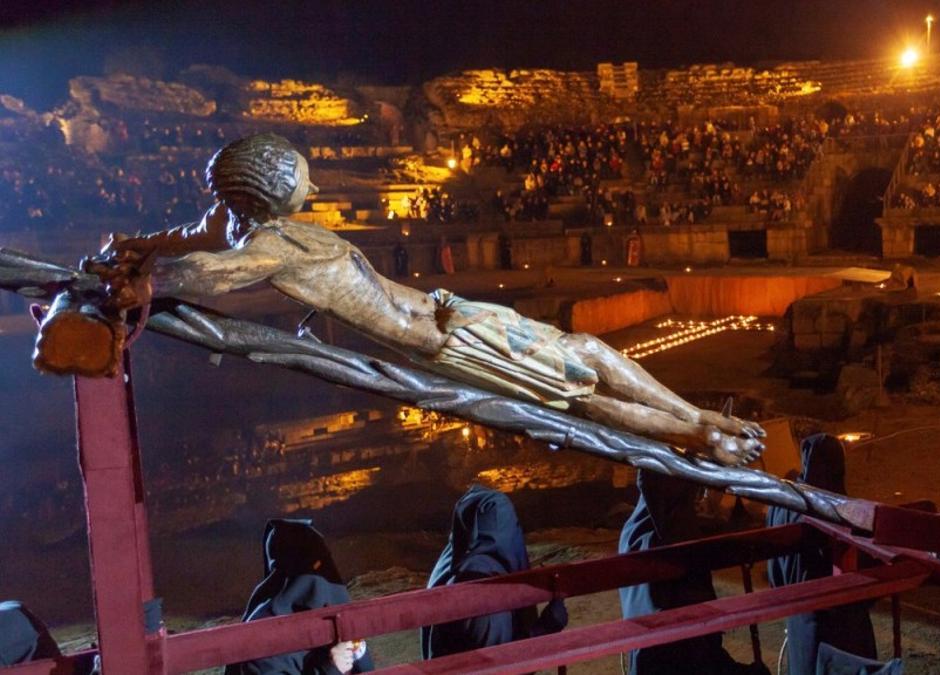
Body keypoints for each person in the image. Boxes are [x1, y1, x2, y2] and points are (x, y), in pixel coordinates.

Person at [94, 134, 764, 466]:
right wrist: (154, 282)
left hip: (452, 318)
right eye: (302, 177)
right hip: (446, 339)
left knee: (584, 356)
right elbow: (212, 271)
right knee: (578, 384)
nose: (316, 183)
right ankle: (700, 431)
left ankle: (699, 418)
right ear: (269, 191)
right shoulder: (274, 247)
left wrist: (137, 245)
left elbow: (195, 236)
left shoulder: (249, 224)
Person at [619, 470, 767, 674]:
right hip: (678, 657)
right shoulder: (677, 537)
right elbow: (695, 649)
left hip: (645, 659)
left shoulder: (633, 531)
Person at [765, 433, 879, 675]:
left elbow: (775, 575)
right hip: (843, 626)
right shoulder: (849, 513)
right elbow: (870, 580)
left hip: (801, 621)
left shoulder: (782, 507)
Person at [421, 485, 566, 659]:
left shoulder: (451, 562)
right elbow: (501, 666)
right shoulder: (483, 589)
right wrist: (548, 626)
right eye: (513, 524)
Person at [225, 519, 373, 674]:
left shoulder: (330, 611)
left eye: (324, 565)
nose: (322, 578)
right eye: (313, 567)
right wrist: (331, 669)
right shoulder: (262, 634)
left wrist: (358, 649)